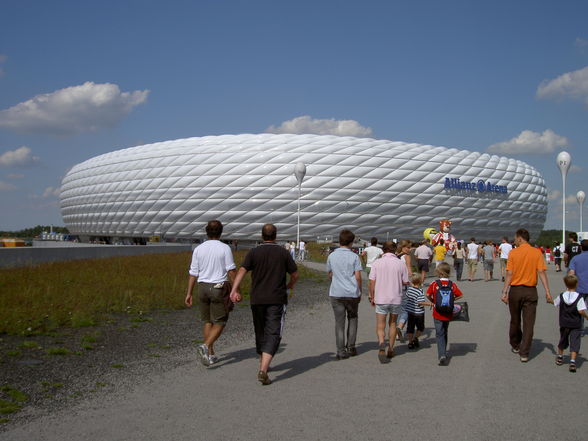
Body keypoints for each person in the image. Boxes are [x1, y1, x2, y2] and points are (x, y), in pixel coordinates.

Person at [229, 224, 298, 385]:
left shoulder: (254, 252)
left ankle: (263, 362)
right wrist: (289, 285)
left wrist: (234, 289)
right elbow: (295, 275)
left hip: (257, 298)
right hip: (276, 298)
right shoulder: (283, 252)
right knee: (273, 332)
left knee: (260, 330)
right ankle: (263, 369)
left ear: (262, 236)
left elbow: (241, 271)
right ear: (276, 235)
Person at [185, 220, 237, 367]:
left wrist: (188, 293)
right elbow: (231, 270)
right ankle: (206, 346)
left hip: (202, 287)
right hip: (218, 288)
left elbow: (193, 273)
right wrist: (236, 289)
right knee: (220, 321)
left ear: (206, 232)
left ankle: (210, 354)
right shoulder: (224, 248)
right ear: (221, 232)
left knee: (208, 321)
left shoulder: (198, 249)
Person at [501, 229, 552, 363]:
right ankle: (524, 353)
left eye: (515, 238)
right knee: (529, 323)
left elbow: (510, 274)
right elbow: (541, 272)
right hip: (531, 291)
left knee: (515, 320)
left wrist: (504, 292)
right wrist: (547, 292)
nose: (514, 240)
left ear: (520, 238)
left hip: (515, 291)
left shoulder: (513, 253)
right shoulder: (536, 252)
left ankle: (516, 345)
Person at [369, 241, 409, 362]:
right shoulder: (400, 264)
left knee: (380, 325)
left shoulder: (377, 263)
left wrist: (372, 296)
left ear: (383, 250)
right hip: (396, 298)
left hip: (381, 298)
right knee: (392, 324)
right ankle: (391, 348)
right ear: (395, 250)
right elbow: (405, 281)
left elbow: (372, 282)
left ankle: (382, 342)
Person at [326, 229, 363, 360]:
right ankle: (351, 347)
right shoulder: (354, 256)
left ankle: (341, 351)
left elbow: (330, 274)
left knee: (339, 323)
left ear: (340, 240)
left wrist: (337, 281)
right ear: (351, 242)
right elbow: (358, 277)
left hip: (336, 293)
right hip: (352, 293)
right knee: (353, 318)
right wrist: (359, 291)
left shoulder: (331, 256)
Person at [426, 262, 464, 365]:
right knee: (445, 331)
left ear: (438, 272)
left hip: (437, 311)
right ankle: (444, 351)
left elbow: (427, 294)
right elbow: (460, 295)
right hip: (448, 312)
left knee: (439, 333)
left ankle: (441, 354)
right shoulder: (452, 284)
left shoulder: (434, 284)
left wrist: (433, 301)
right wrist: (452, 299)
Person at [553, 275, 588, 372]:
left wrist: (549, 299)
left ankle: (560, 356)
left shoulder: (561, 296)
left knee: (563, 339)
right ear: (576, 284)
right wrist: (586, 317)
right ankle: (572, 361)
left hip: (564, 322)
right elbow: (581, 311)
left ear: (565, 284)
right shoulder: (579, 297)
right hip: (575, 324)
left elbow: (555, 303)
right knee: (575, 341)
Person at [405, 274, 433, 349]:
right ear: (420, 281)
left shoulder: (409, 289)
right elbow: (420, 302)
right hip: (419, 313)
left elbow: (407, 297)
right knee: (420, 327)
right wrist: (430, 304)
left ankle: (410, 342)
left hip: (410, 311)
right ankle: (415, 338)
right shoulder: (420, 291)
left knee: (410, 328)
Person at [568, 239, 588, 334]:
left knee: (580, 309)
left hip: (579, 288)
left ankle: (580, 328)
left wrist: (569, 287)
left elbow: (571, 274)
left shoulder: (575, 259)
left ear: (581, 247)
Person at [396, 240, 413, 341]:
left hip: (396, 286)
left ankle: (397, 333)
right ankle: (400, 327)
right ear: (403, 247)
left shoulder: (396, 256)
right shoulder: (407, 257)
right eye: (407, 247)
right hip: (405, 285)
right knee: (407, 308)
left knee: (399, 309)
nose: (409, 249)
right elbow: (409, 271)